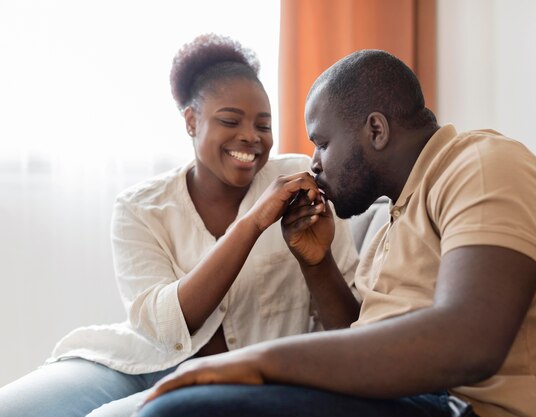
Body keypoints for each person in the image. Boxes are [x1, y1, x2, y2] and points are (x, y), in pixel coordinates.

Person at [135, 49, 536, 417]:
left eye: (322, 142)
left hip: (464, 407)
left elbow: (469, 341)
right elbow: (371, 349)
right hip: (408, 398)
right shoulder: (398, 214)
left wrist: (259, 361)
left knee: (180, 411)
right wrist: (318, 267)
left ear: (375, 129)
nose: (313, 162)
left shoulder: (482, 165)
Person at [0, 34, 358, 417]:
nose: (251, 137)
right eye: (230, 120)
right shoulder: (140, 208)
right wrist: (252, 223)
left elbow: (354, 330)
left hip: (246, 377)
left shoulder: (299, 181)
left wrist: (314, 261)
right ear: (191, 120)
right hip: (142, 362)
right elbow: (164, 328)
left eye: (263, 125)